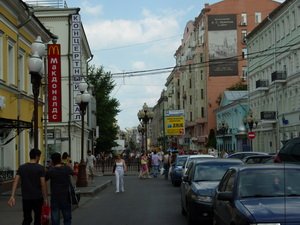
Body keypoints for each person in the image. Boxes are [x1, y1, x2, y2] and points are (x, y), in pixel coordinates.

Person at [8, 149, 48, 225]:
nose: (39, 159)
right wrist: (45, 198)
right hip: (38, 197)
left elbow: (15, 181)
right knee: (37, 218)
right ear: (37, 157)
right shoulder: (40, 168)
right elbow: (43, 184)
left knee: (27, 218)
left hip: (26, 198)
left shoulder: (22, 167)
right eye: (39, 157)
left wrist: (12, 196)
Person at [46, 152, 74, 225]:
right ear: (60, 159)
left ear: (52, 161)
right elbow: (73, 173)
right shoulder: (66, 168)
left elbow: (44, 179)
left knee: (55, 219)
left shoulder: (51, 171)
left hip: (55, 197)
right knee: (67, 218)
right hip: (66, 196)